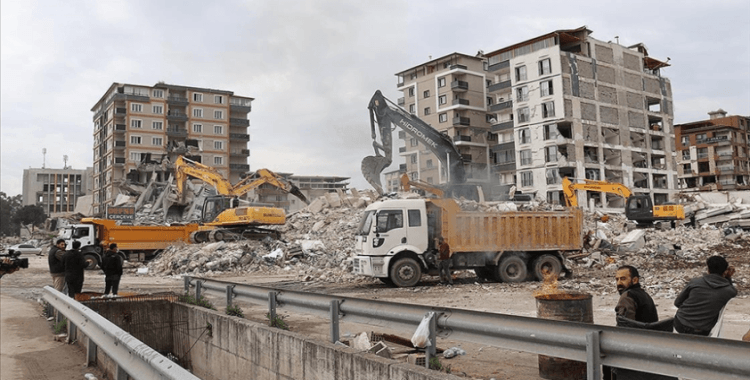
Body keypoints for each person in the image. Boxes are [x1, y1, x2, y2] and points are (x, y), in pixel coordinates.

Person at [674, 255, 737, 336]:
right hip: (703, 330)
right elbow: (730, 290)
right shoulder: (730, 291)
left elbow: (677, 303)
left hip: (680, 325)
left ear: (708, 269)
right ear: (725, 271)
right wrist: (728, 277)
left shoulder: (695, 282)